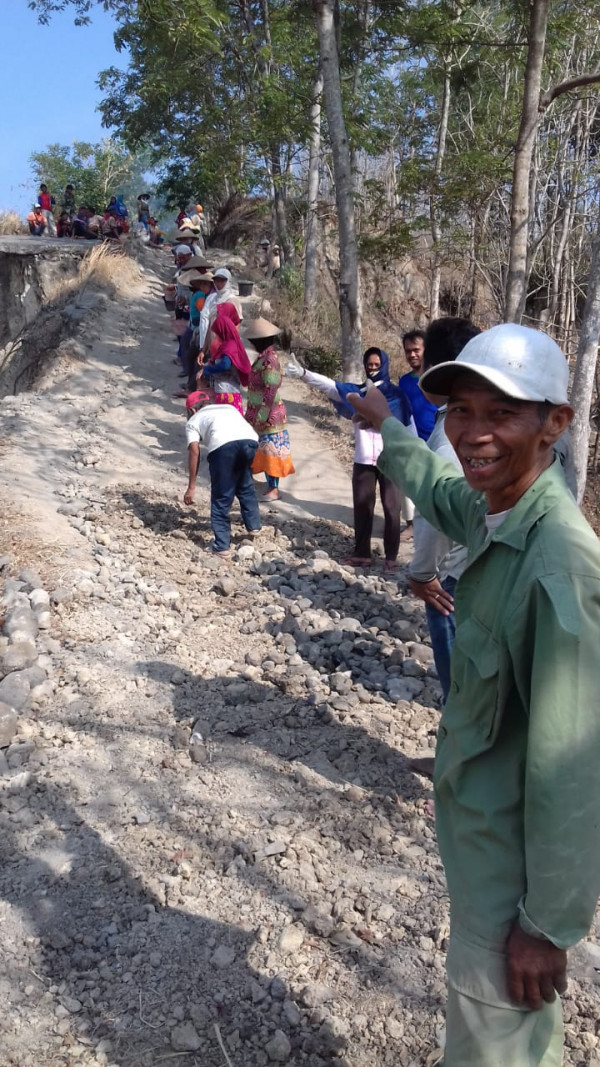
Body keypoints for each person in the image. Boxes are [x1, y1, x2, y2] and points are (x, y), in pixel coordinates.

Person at [349, 323, 600, 1067]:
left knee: (495, 1046)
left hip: (512, 886)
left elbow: (573, 766)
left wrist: (547, 927)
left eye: (501, 413)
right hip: (480, 846)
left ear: (555, 421)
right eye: (461, 411)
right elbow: (436, 487)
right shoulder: (500, 510)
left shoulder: (560, 564)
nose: (473, 432)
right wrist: (388, 425)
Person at [408, 317, 481, 707]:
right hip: (485, 566)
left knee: (460, 687)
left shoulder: (450, 434)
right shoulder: (493, 422)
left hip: (454, 577)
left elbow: (437, 506)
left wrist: (422, 573)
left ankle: (457, 763)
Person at [289, 347, 414, 569]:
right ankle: (362, 553)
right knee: (362, 506)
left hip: (392, 459)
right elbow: (329, 386)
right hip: (364, 458)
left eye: (377, 365)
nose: (373, 369)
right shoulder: (356, 394)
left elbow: (409, 425)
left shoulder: (397, 396)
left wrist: (412, 454)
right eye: (369, 365)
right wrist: (303, 374)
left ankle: (391, 558)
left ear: (384, 365)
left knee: (391, 507)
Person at [183, 389, 261, 556]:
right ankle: (254, 526)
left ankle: (222, 546)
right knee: (245, 484)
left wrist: (191, 486)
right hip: (250, 441)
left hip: (223, 447)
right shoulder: (228, 408)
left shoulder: (193, 421)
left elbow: (194, 452)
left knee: (221, 497)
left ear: (192, 410)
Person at [244, 318, 295, 500]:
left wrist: (261, 417)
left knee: (270, 451)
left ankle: (273, 489)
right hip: (259, 412)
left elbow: (270, 390)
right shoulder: (264, 358)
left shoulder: (269, 361)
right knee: (261, 449)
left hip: (269, 415)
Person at [200, 303, 251, 413]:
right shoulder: (229, 344)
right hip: (227, 391)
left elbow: (225, 365)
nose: (217, 335)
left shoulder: (229, 346)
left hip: (227, 392)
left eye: (218, 332)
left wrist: (208, 369)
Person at [398, 330, 438, 440]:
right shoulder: (404, 382)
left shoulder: (437, 377)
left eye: (416, 350)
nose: (412, 355)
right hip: (413, 443)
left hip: (438, 441)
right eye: (408, 351)